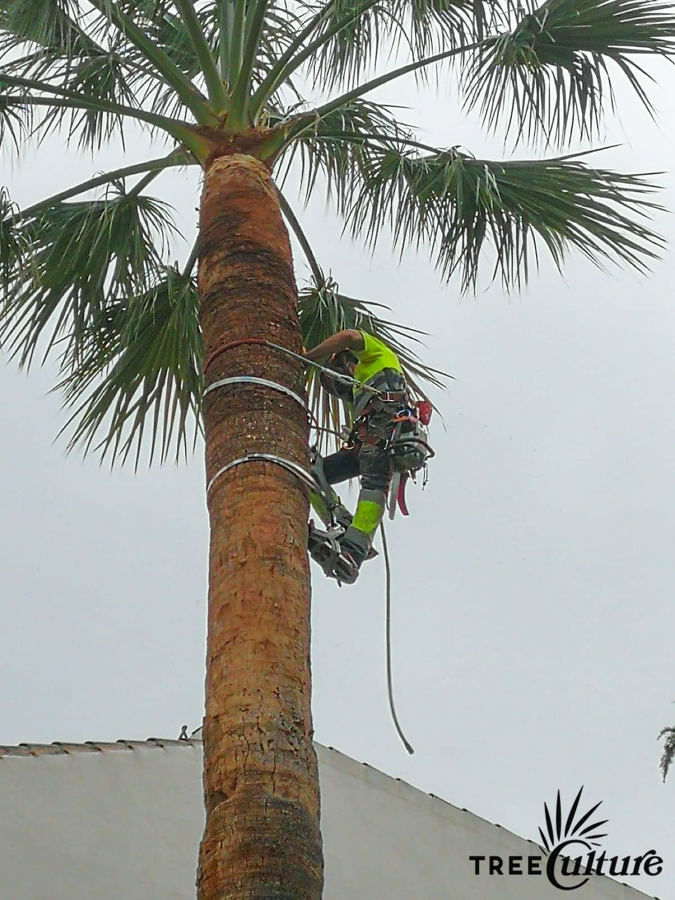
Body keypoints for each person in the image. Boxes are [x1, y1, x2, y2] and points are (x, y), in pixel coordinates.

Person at [304, 329, 408, 582]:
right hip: (369, 438)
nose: (341, 386)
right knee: (310, 473)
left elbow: (350, 336)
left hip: (385, 430)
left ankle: (354, 550)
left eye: (338, 377)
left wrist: (309, 357)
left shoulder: (376, 355)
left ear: (346, 362)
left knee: (374, 482)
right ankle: (341, 525)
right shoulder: (361, 389)